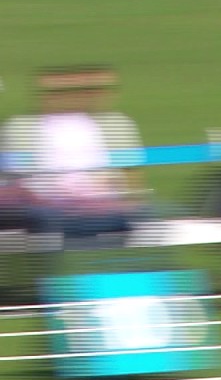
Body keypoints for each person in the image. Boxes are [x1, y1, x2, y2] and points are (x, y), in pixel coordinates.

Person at [0, 64, 148, 245]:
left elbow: (133, 185)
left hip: (102, 207)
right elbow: (19, 186)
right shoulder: (22, 128)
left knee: (147, 214)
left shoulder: (117, 125)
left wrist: (125, 201)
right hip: (50, 209)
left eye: (94, 90)